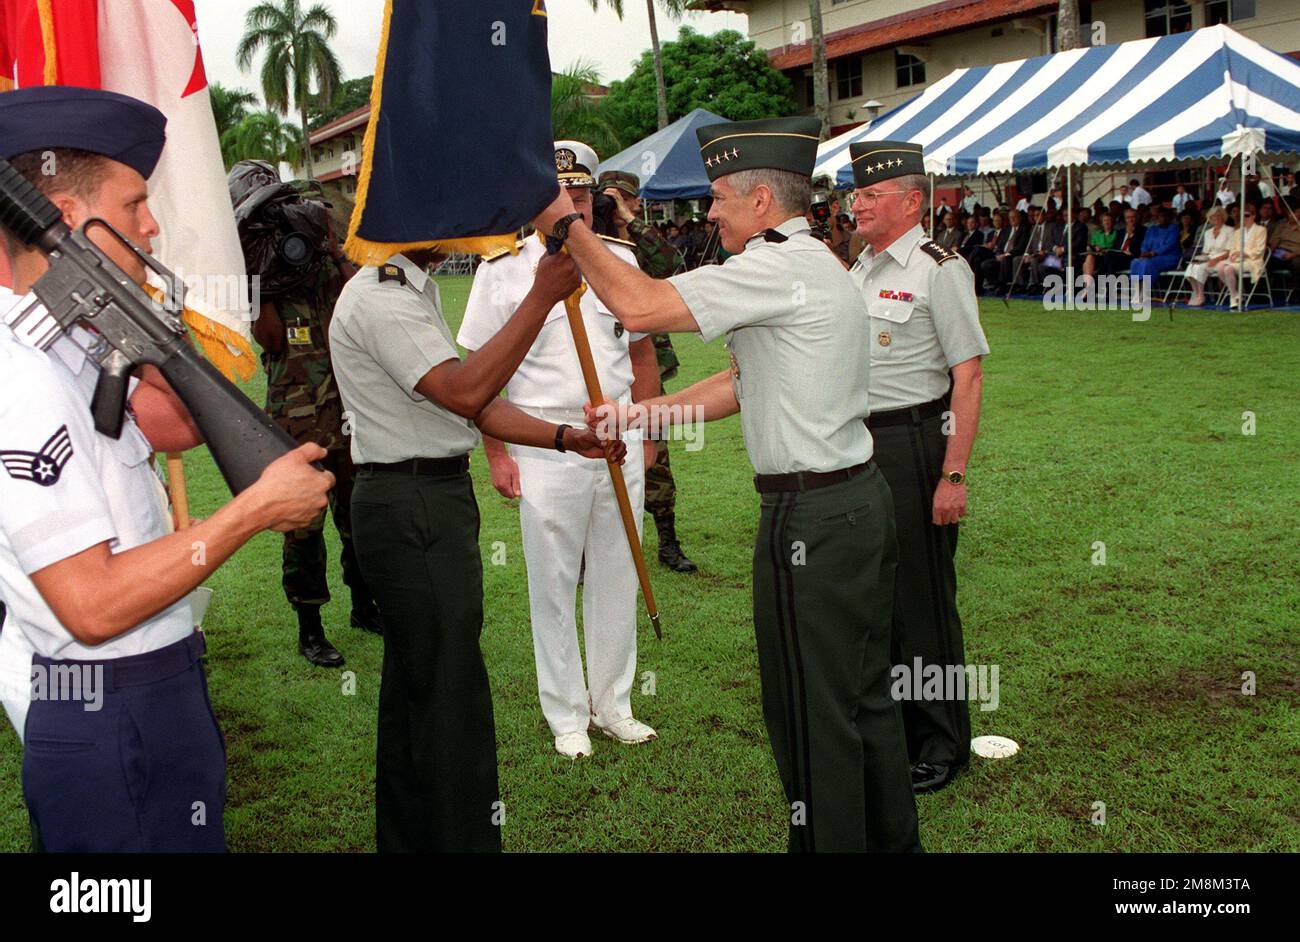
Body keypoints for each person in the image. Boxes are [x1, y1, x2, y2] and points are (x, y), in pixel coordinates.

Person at [544, 117, 922, 853]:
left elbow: (639, 306)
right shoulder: (810, 264)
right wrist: (635, 415)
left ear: (758, 202)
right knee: (864, 698)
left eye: (718, 196)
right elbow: (741, 382)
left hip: (811, 515)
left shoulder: (776, 266)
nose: (708, 212)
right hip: (853, 502)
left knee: (811, 713)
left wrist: (566, 225)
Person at [0, 85, 336, 852]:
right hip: (103, 705)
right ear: (60, 215)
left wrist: (147, 327)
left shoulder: (66, 343)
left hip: (150, 687)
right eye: (134, 205)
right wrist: (251, 511)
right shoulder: (19, 374)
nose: (152, 225)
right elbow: (91, 604)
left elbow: (176, 423)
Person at [457, 144, 660, 760]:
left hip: (618, 440)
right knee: (552, 582)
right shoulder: (503, 269)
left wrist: (650, 436)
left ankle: (614, 703)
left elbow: (643, 355)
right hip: (544, 441)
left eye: (581, 197)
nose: (573, 209)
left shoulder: (621, 261)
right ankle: (567, 713)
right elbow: (478, 376)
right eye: (559, 198)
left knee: (616, 571)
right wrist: (497, 456)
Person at [845, 141, 989, 794]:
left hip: (916, 441)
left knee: (923, 600)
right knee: (877, 594)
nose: (856, 203)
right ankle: (898, 726)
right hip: (862, 443)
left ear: (911, 201)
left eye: (871, 194)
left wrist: (952, 474)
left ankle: (942, 741)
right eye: (856, 192)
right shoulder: (860, 268)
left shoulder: (940, 268)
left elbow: (968, 374)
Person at [249, 199, 380, 668]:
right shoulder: (266, 282)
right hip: (296, 426)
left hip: (349, 416)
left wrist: (333, 250)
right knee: (303, 531)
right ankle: (311, 630)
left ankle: (364, 607)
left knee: (357, 519)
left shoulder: (329, 270)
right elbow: (270, 340)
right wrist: (259, 274)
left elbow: (359, 298)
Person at [598, 169, 699, 574]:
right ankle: (596, 548)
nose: (620, 205)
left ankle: (667, 541)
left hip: (644, 360)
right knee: (594, 453)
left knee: (655, 455)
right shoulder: (588, 238)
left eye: (627, 198)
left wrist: (630, 222)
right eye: (614, 199)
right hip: (601, 356)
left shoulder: (636, 237)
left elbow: (672, 263)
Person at [1215, 205, 1267, 308]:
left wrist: (1243, 253)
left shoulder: (1261, 230)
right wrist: (1234, 255)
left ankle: (1233, 297)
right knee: (1219, 268)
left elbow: (1260, 250)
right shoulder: (1238, 232)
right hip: (1238, 259)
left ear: (1254, 216)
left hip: (1253, 260)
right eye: (1242, 216)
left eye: (1247, 215)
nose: (1244, 218)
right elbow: (1233, 248)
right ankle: (1237, 293)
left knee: (1228, 268)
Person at [1127, 206, 1180, 305]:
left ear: (1169, 217)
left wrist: (1152, 253)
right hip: (1150, 256)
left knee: (1148, 263)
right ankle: (1136, 291)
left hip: (1169, 257)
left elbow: (1169, 245)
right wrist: (1143, 252)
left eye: (1165, 216)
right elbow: (1145, 243)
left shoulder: (1174, 228)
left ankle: (1144, 292)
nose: (1162, 219)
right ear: (1157, 218)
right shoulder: (1152, 229)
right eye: (1160, 216)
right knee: (1136, 262)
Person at [1185, 206, 1235, 306]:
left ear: (1223, 217)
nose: (1216, 218)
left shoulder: (1230, 230)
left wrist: (1216, 259)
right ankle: (1197, 293)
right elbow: (1205, 251)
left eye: (1218, 216)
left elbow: (1229, 251)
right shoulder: (1207, 232)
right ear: (1210, 218)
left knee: (1201, 268)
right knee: (1191, 267)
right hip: (1209, 258)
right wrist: (1199, 259)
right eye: (1213, 216)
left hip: (1223, 258)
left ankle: (1201, 296)